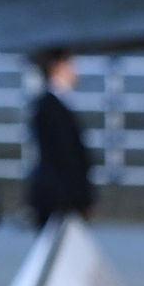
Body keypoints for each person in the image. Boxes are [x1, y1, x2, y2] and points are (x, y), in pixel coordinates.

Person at [25, 47, 95, 229]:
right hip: (59, 197)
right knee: (57, 243)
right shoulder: (50, 106)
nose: (76, 70)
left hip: (58, 194)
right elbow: (64, 156)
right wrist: (81, 197)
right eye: (71, 64)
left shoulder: (51, 104)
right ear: (57, 67)